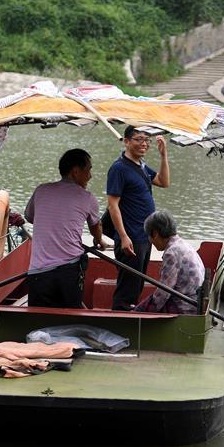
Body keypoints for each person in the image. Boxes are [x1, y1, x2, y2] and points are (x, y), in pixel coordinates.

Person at [24, 148, 105, 308]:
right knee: (70, 318)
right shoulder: (87, 197)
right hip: (69, 272)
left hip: (38, 273)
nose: (90, 176)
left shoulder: (41, 190)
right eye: (88, 170)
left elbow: (30, 217)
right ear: (75, 172)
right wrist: (99, 240)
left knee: (37, 320)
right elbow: (96, 226)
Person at [106, 126, 170, 310]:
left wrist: (163, 155)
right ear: (127, 141)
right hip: (131, 238)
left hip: (144, 237)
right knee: (127, 290)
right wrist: (123, 237)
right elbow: (113, 205)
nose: (144, 144)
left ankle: (130, 319)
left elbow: (164, 182)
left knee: (137, 284)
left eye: (147, 140)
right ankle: (120, 319)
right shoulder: (119, 168)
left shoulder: (141, 165)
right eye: (139, 139)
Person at [134, 210, 204, 315]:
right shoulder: (182, 244)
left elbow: (163, 293)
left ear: (155, 234)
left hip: (186, 307)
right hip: (194, 301)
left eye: (149, 236)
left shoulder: (172, 253)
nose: (149, 241)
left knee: (141, 310)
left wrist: (139, 311)